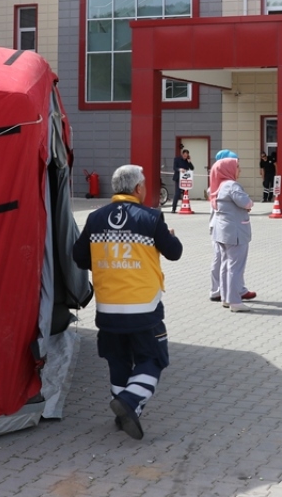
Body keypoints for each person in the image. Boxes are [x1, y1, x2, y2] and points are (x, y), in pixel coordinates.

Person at [73, 164, 183, 441]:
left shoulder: (95, 218)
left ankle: (122, 415)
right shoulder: (152, 218)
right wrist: (169, 236)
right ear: (137, 189)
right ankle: (131, 401)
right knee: (153, 358)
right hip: (144, 309)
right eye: (144, 184)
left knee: (117, 359)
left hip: (107, 308)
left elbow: (79, 258)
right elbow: (175, 253)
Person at [208, 150, 256, 304]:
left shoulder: (218, 185)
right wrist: (249, 204)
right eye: (237, 166)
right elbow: (246, 202)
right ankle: (234, 300)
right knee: (234, 266)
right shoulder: (232, 186)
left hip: (222, 231)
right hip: (234, 232)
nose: (239, 170)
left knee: (224, 265)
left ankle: (225, 296)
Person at [170, 148, 193, 213]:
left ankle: (185, 207)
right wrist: (180, 169)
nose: (185, 156)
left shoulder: (187, 161)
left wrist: (189, 162)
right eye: (184, 155)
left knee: (185, 194)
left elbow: (192, 168)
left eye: (187, 155)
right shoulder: (177, 159)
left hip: (185, 179)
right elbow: (174, 168)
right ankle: (173, 208)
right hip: (178, 178)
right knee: (177, 193)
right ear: (182, 154)